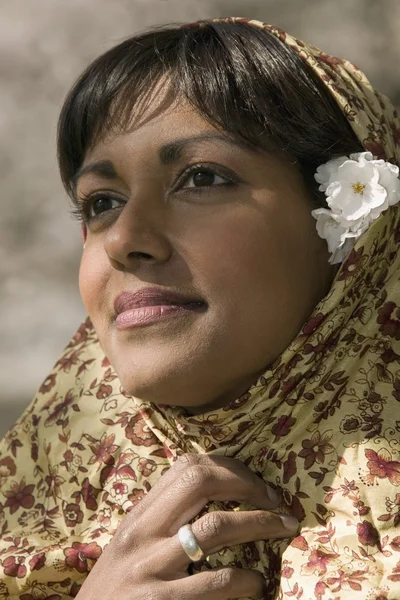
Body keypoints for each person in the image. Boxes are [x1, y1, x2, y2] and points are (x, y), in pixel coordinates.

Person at [0, 16, 399, 600]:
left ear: (352, 236)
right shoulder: (38, 533)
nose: (123, 238)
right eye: (101, 202)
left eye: (202, 178)